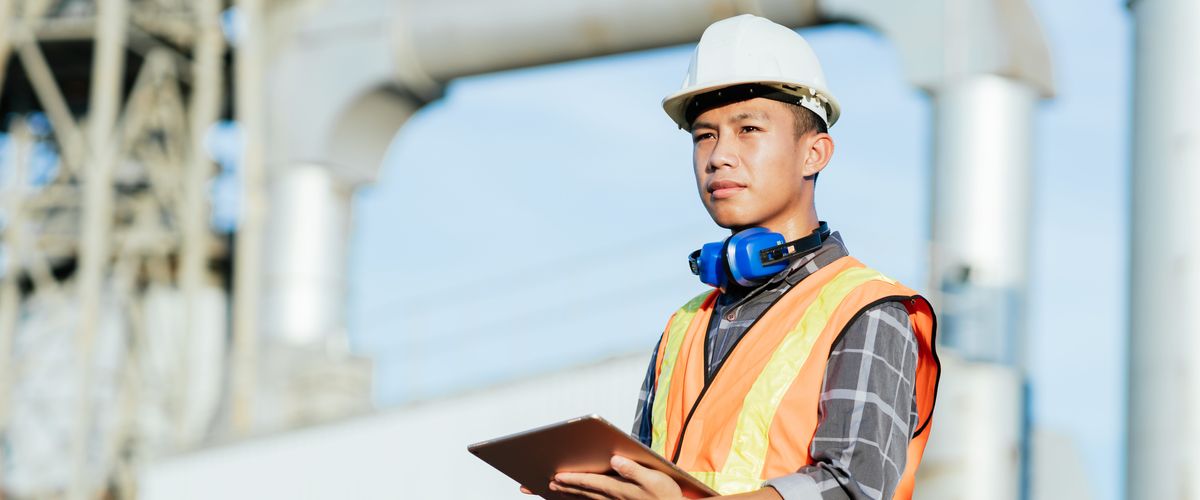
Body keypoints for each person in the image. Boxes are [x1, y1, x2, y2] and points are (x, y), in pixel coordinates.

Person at [542, 14, 940, 500]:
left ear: (814, 153)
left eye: (748, 128)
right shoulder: (685, 325)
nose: (718, 156)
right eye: (704, 136)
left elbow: (852, 488)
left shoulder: (866, 308)